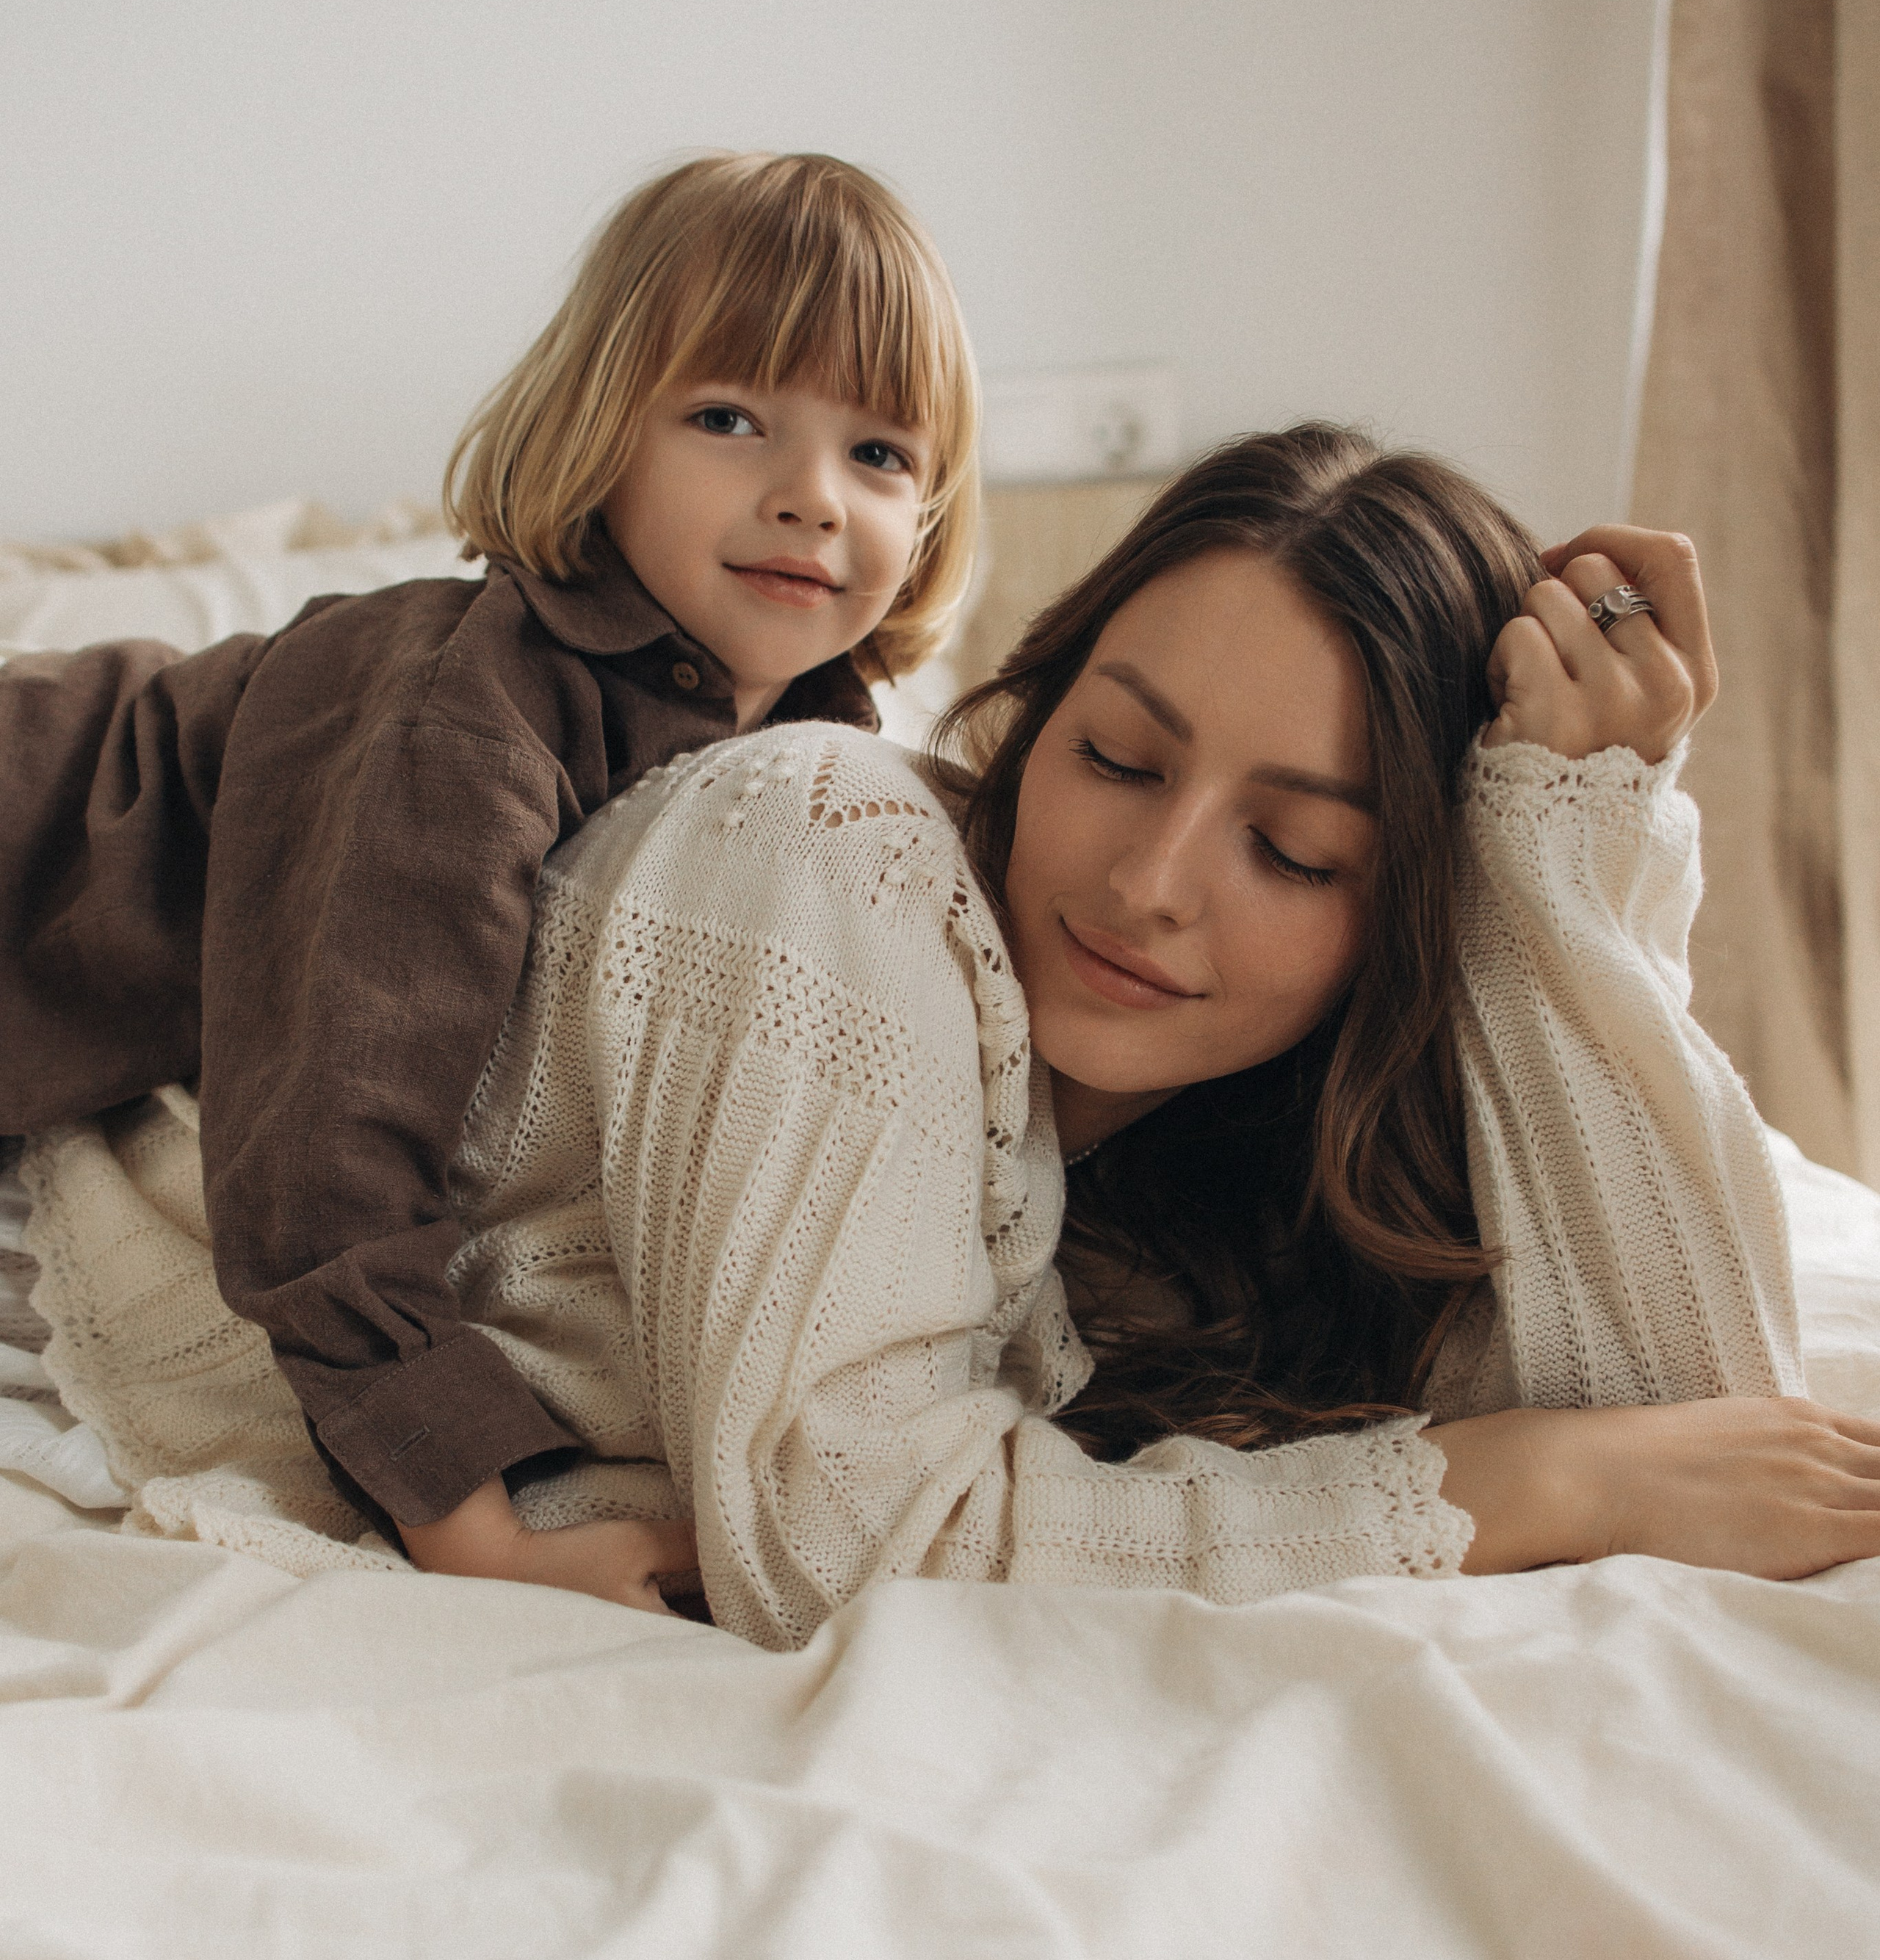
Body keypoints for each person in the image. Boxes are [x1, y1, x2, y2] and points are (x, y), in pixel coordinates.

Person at [26, 425, 1880, 1636]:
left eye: (1293, 851)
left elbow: (1697, 1405)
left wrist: (1556, 857)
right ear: (1030, 710)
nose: (1150, 881)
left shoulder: (1170, 1145)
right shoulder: (828, 841)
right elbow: (848, 1539)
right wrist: (1508, 1487)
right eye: (1115, 755)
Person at [0, 151, 980, 1571]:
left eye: (880, 453)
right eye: (728, 416)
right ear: (599, 435)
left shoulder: (829, 765)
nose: (814, 496)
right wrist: (474, 1527)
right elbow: (327, 1134)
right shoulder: (466, 706)